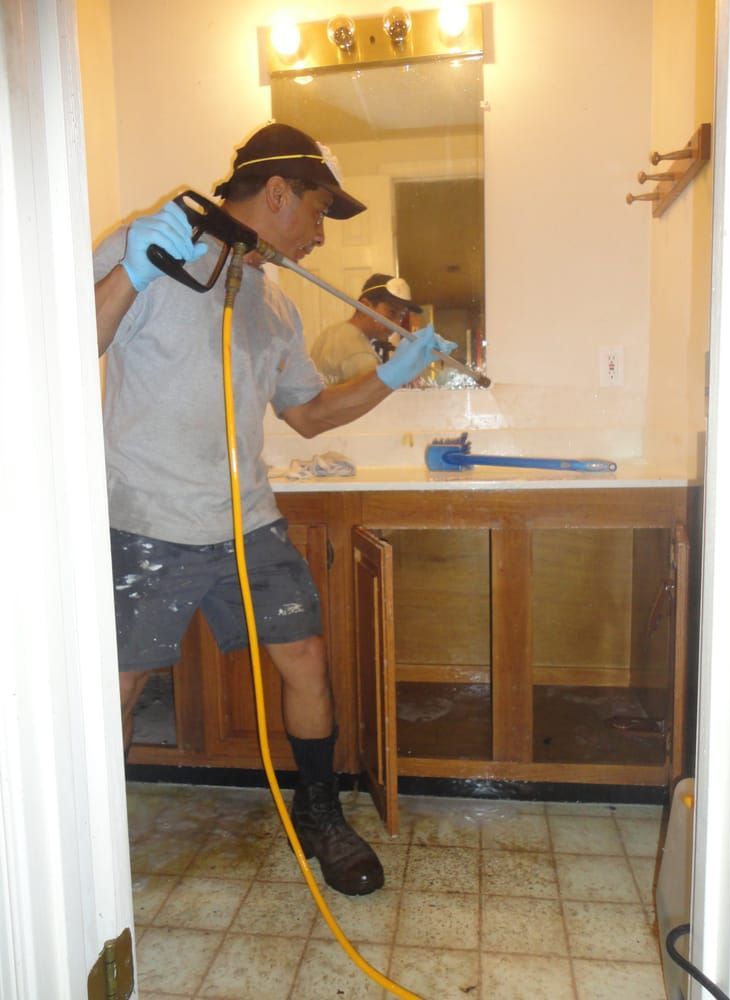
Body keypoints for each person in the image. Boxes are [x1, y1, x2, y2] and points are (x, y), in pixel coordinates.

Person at [94, 122, 454, 897]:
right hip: (144, 515)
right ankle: (96, 839)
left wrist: (395, 376)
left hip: (246, 519)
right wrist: (132, 269)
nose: (321, 236)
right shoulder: (149, 244)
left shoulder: (277, 305)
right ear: (279, 192)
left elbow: (310, 417)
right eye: (320, 213)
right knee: (118, 686)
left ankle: (319, 811)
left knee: (306, 659)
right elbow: (63, 346)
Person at [310, 273, 423, 384]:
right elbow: (373, 394)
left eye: (401, 317)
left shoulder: (334, 332)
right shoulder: (356, 349)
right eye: (391, 312)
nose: (396, 325)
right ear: (365, 306)